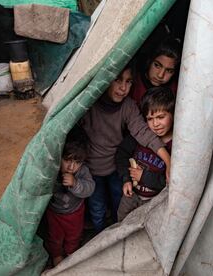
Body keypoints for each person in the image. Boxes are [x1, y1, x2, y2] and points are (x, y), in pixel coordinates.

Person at [78, 62, 171, 232]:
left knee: (118, 204)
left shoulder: (128, 106)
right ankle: (99, 237)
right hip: (91, 169)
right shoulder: (88, 104)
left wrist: (168, 160)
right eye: (118, 80)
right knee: (97, 208)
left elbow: (142, 132)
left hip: (116, 168)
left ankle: (114, 235)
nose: (123, 88)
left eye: (128, 82)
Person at [116, 86, 174, 221]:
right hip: (131, 195)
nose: (155, 124)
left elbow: (170, 183)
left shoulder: (176, 147)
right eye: (150, 118)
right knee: (121, 221)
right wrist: (126, 180)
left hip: (153, 202)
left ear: (173, 114)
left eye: (161, 117)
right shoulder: (141, 136)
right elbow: (121, 155)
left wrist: (144, 177)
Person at [44, 135, 95, 267]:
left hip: (74, 212)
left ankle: (71, 252)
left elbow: (90, 189)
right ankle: (57, 255)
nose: (71, 167)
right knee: (54, 236)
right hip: (54, 213)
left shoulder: (82, 171)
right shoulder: (52, 170)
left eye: (77, 162)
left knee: (74, 235)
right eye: (67, 160)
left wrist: (75, 183)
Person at [130, 36, 182, 106]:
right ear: (149, 61)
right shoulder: (133, 82)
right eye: (157, 65)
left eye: (169, 71)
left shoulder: (177, 91)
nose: (160, 75)